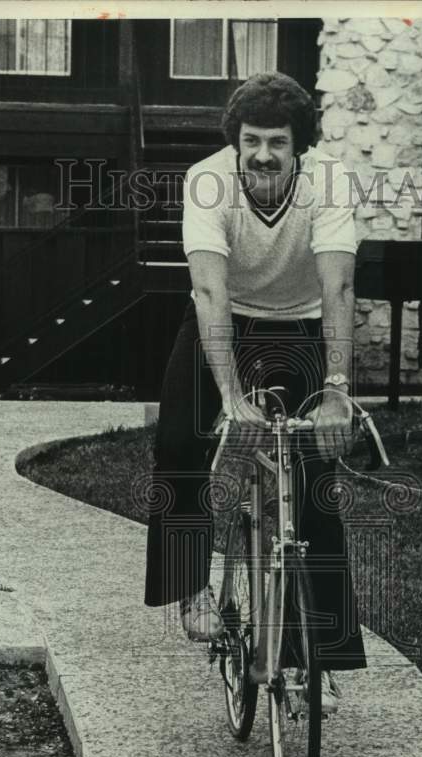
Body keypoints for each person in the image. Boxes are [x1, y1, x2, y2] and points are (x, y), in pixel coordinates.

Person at [143, 72, 366, 713]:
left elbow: (339, 292)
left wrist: (335, 391)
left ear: (300, 147)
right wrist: (231, 397)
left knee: (312, 466)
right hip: (225, 320)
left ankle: (311, 648)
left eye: (277, 141)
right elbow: (208, 292)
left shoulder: (329, 183)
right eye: (251, 140)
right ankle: (192, 586)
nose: (262, 154)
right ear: (234, 141)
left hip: (299, 324)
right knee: (183, 438)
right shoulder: (206, 180)